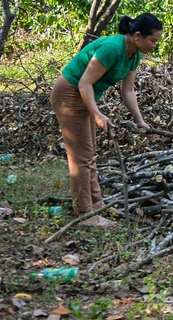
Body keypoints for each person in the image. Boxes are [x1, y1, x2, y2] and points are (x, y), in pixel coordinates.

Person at [51, 13, 163, 226]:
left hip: (84, 94)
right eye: (153, 40)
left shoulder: (134, 55)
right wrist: (97, 114)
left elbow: (128, 91)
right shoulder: (112, 48)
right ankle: (86, 215)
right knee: (81, 157)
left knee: (90, 153)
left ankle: (97, 206)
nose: (154, 45)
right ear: (138, 36)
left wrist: (140, 121)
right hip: (69, 92)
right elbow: (84, 83)